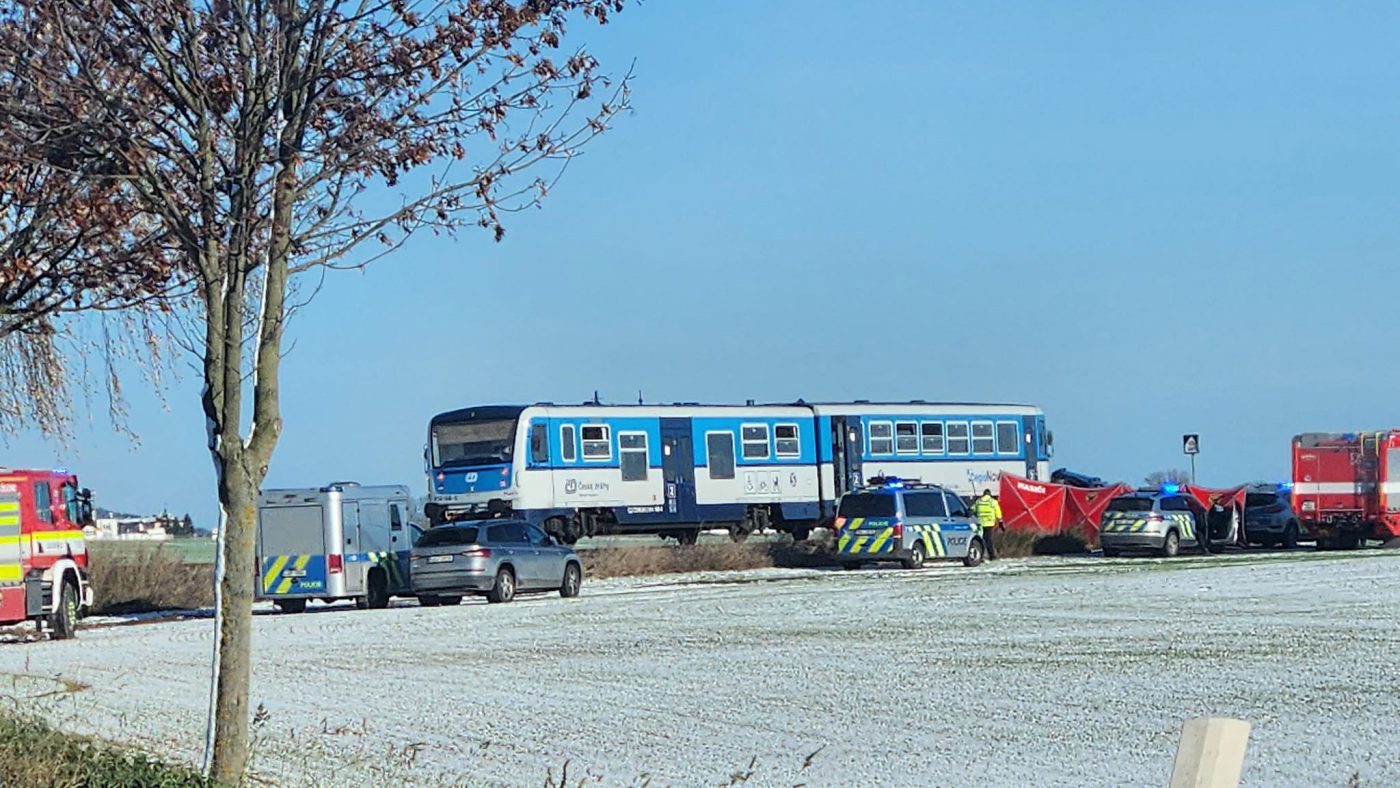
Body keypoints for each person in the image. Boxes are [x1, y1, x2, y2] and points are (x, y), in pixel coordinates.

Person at [972, 488, 1002, 560]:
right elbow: (998, 512)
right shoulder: (993, 502)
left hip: (980, 523)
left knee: (981, 540)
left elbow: (972, 510)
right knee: (988, 540)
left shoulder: (978, 501)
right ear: (990, 494)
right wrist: (1000, 520)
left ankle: (981, 555)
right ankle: (991, 555)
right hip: (989, 523)